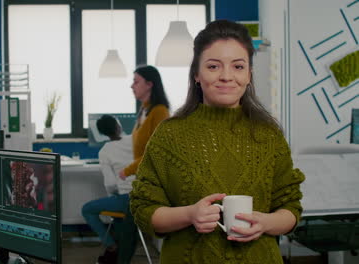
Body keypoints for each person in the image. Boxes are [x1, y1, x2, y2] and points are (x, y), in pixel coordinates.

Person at [129, 20, 305, 264]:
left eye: (238, 66)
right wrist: (190, 215)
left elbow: (290, 208)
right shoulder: (170, 134)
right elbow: (143, 209)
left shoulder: (268, 135)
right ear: (197, 75)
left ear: (249, 74)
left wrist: (266, 223)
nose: (226, 76)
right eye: (213, 66)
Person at [82, 115, 135, 264]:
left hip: (126, 199)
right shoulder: (134, 140)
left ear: (102, 133)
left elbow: (110, 184)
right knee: (118, 215)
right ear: (119, 126)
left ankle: (111, 246)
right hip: (145, 196)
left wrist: (115, 196)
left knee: (87, 209)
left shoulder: (104, 152)